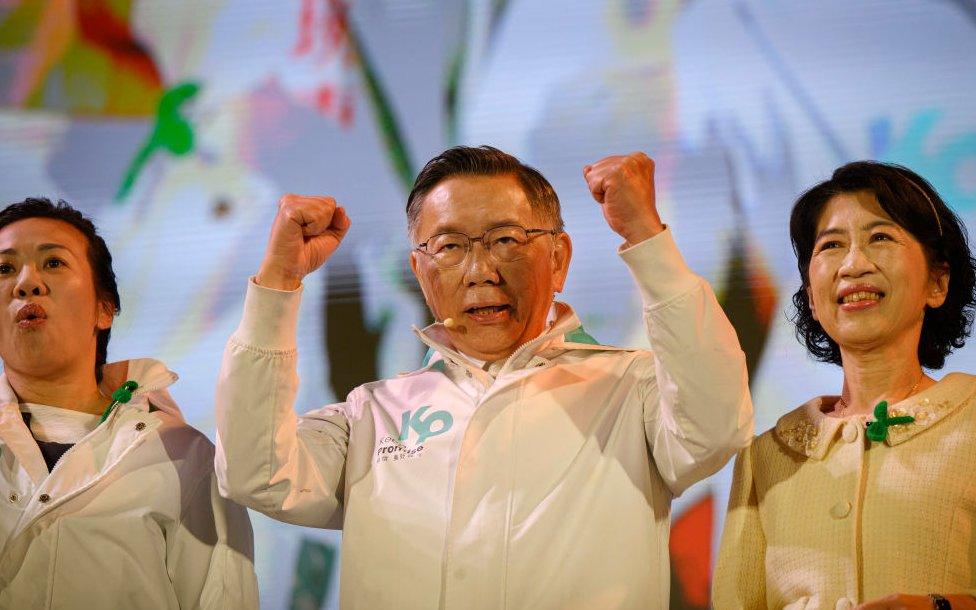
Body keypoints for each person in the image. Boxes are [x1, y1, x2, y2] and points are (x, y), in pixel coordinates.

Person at [216, 146, 753, 609]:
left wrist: (644, 235)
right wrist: (278, 282)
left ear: (559, 258)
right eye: (450, 246)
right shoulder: (371, 414)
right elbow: (255, 471)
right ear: (419, 273)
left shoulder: (632, 389)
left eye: (506, 240)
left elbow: (715, 422)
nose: (480, 271)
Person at [713, 162, 976, 610]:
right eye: (831, 245)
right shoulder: (766, 456)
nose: (854, 263)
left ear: (938, 281)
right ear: (812, 299)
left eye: (880, 238)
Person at [0, 198, 258, 609]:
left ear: (104, 309)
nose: (26, 283)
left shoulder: (183, 457)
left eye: (53, 264)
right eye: (4, 269)